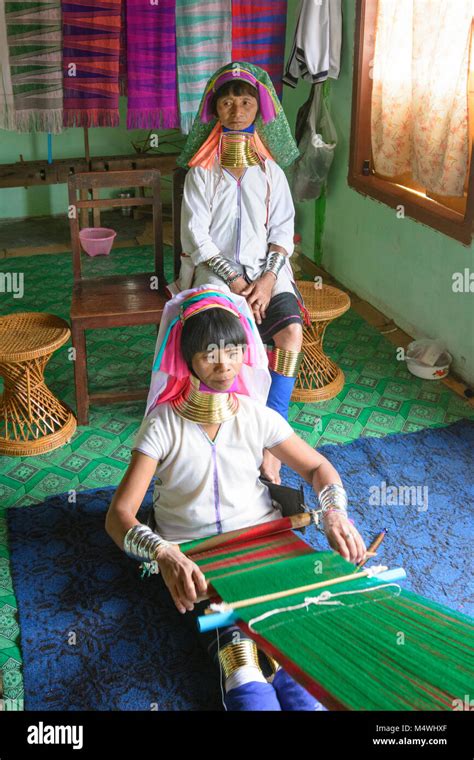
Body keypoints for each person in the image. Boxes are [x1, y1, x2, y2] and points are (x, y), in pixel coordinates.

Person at [105, 287, 366, 711]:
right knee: (242, 663)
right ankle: (241, 666)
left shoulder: (255, 415)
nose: (224, 363)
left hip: (266, 544)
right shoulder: (162, 426)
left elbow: (318, 468)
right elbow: (119, 516)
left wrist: (334, 513)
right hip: (199, 562)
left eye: (233, 349)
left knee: (293, 660)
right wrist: (165, 553)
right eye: (209, 353)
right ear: (186, 358)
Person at [169, 60, 308, 486]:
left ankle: (271, 438)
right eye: (228, 102)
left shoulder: (271, 172)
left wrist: (266, 281)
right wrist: (236, 282)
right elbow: (196, 236)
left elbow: (283, 229)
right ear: (215, 109)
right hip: (215, 275)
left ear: (258, 110)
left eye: (245, 102)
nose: (236, 110)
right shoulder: (202, 172)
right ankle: (222, 420)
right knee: (224, 337)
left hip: (267, 275)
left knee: (289, 334)